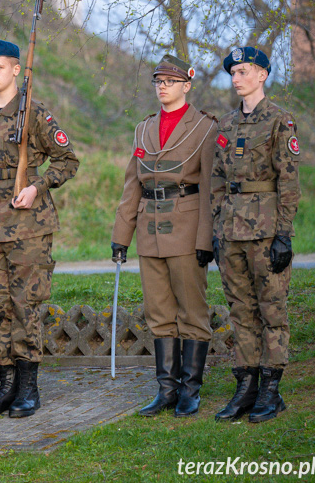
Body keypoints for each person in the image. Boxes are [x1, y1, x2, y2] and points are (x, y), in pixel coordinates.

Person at [0, 39, 79, 418]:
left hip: (28, 227)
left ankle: (29, 386)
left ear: (16, 69)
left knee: (25, 304)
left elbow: (67, 160)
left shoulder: (35, 114)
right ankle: (6, 385)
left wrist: (37, 186)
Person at [111, 55, 218, 417]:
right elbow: (132, 185)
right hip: (148, 230)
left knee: (192, 311)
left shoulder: (204, 127)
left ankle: (191, 390)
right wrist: (121, 235)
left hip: (186, 228)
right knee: (159, 313)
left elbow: (208, 190)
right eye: (158, 81)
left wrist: (206, 240)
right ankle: (166, 390)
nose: (162, 87)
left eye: (170, 81)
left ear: (186, 85)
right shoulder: (143, 129)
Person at [211, 47, 299, 423]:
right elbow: (217, 178)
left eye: (244, 71)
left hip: (265, 230)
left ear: (262, 75)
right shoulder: (226, 124)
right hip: (231, 230)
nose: (237, 78)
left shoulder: (280, 120)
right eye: (233, 73)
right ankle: (245, 386)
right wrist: (216, 229)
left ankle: (270, 389)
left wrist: (284, 235)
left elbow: (289, 181)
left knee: (271, 309)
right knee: (241, 311)